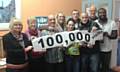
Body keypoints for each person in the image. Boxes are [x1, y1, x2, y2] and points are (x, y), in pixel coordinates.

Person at [95, 8, 118, 72]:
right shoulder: (95, 22)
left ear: (106, 13)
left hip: (107, 49)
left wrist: (107, 35)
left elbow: (115, 36)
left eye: (104, 12)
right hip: (96, 49)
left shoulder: (112, 22)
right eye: (100, 13)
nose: (102, 14)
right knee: (96, 67)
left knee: (105, 67)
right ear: (98, 14)